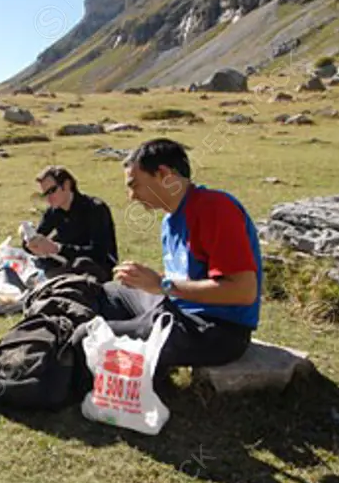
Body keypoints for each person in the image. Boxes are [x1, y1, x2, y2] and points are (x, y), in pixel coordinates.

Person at [89, 138, 262, 373]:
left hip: (217, 329)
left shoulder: (214, 208)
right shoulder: (171, 220)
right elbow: (187, 278)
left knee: (89, 336)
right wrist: (147, 280)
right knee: (108, 292)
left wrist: (161, 284)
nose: (131, 196)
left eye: (135, 185)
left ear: (163, 174)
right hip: (182, 310)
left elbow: (243, 291)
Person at [24, 165, 119, 279]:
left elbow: (99, 253)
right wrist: (30, 243)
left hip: (98, 267)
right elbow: (39, 235)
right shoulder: (54, 211)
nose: (49, 199)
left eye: (52, 191)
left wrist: (58, 248)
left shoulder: (95, 208)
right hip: (69, 264)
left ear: (67, 185)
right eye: (45, 194)